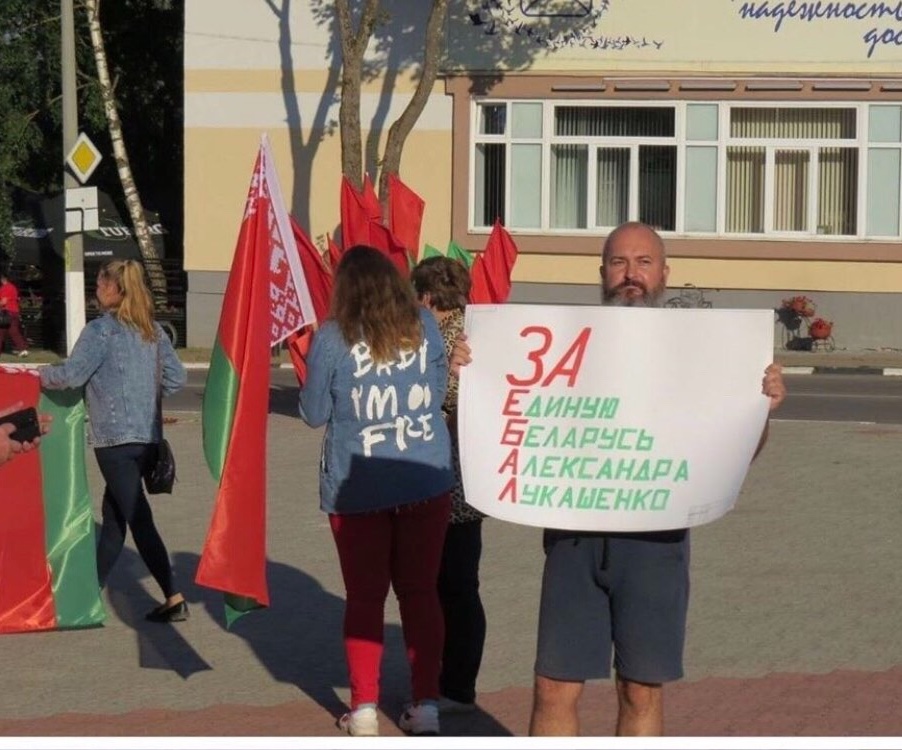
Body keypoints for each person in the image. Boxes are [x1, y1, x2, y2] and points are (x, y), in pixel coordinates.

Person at [450, 222, 787, 736]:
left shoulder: (701, 350)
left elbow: (730, 454)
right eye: (619, 262)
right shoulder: (564, 341)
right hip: (574, 539)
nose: (631, 274)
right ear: (602, 272)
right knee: (553, 686)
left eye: (644, 262)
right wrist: (473, 380)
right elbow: (494, 428)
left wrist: (759, 408)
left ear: (665, 273)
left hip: (656, 541)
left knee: (639, 689)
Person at [298, 246, 456, 738]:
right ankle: (425, 705)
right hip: (424, 476)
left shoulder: (331, 338)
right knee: (421, 592)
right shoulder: (425, 325)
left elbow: (313, 414)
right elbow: (435, 393)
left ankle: (364, 709)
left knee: (365, 598)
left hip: (357, 485)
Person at [39, 259, 188, 623]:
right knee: (114, 520)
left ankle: (173, 596)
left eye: (101, 284)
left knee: (138, 519)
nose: (96, 289)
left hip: (115, 443)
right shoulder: (152, 330)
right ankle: (86, 597)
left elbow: (71, 376)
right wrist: (145, 398)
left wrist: (35, 374)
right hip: (147, 440)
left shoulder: (100, 331)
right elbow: (177, 378)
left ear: (116, 290)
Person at [411, 255, 486, 714]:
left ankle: (455, 685)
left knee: (451, 588)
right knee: (456, 586)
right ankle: (453, 681)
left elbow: (446, 400)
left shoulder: (445, 338)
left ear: (425, 297)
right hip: (468, 486)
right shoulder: (477, 330)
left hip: (445, 486)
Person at [0, 271, 30, 358]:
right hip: (14, 312)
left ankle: (22, 349)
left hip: (6, 313)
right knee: (13, 332)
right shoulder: (13, 287)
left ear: (2, 279)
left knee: (4, 332)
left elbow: (3, 301)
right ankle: (22, 349)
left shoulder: (5, 288)